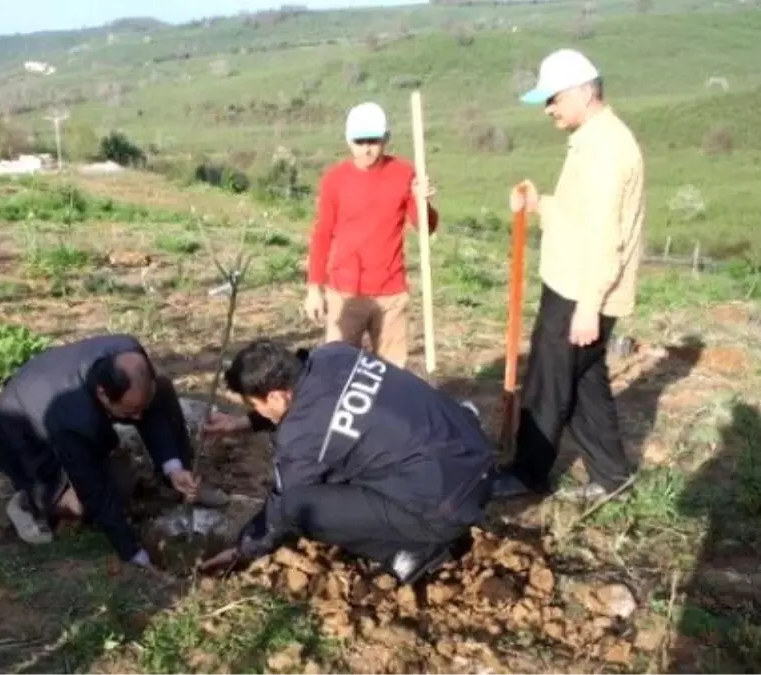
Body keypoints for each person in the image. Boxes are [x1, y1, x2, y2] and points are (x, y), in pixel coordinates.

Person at [195, 339, 495, 585]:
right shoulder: (335, 354)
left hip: (445, 509)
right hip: (475, 458)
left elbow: (282, 505)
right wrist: (246, 422)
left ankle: (414, 552)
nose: (257, 412)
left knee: (298, 505)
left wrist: (243, 548)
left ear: (276, 397)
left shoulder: (300, 439)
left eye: (254, 405)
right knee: (352, 453)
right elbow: (325, 407)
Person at [492, 48, 646, 503]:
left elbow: (604, 237)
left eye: (554, 98)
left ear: (584, 91)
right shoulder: (595, 139)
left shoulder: (605, 150)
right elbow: (582, 216)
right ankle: (613, 477)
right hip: (578, 286)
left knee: (548, 384)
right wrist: (542, 205)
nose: (549, 108)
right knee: (584, 383)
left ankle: (527, 474)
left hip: (580, 292)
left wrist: (588, 306)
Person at [0, 333, 229, 569]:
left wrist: (173, 467)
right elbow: (94, 491)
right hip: (21, 434)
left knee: (160, 390)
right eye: (130, 412)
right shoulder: (73, 418)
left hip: (58, 400)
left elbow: (150, 410)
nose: (139, 418)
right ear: (102, 394)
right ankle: (30, 500)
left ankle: (176, 482)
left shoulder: (129, 352)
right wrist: (132, 552)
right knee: (84, 504)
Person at [303, 101, 440, 369]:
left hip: (391, 292)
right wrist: (314, 288)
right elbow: (322, 234)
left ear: (386, 138)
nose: (366, 149)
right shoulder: (335, 179)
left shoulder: (404, 173)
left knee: (391, 374)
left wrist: (422, 201)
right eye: (359, 141)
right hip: (346, 292)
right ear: (348, 141)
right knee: (338, 370)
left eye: (374, 141)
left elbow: (426, 227)